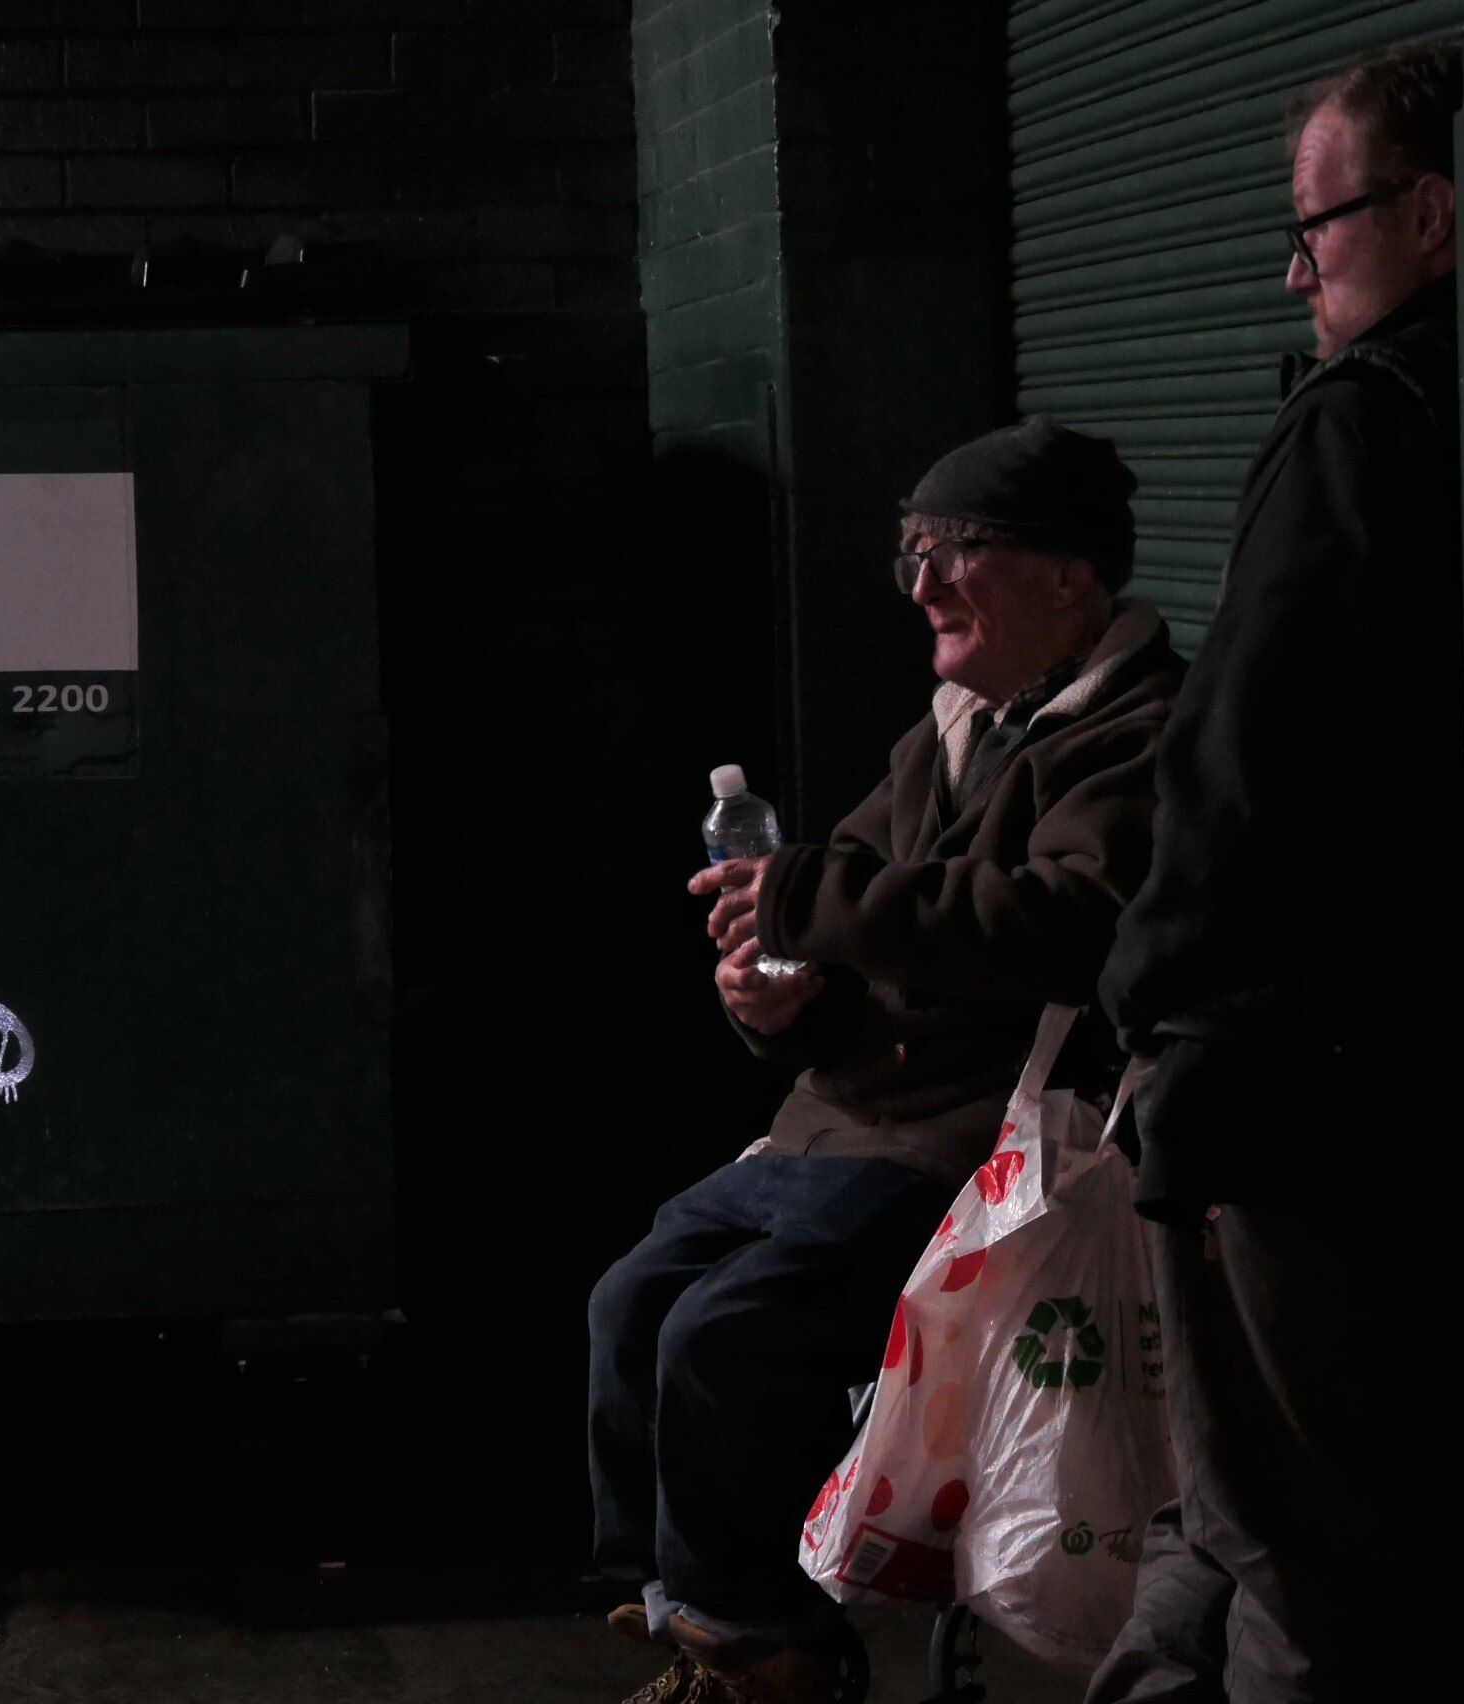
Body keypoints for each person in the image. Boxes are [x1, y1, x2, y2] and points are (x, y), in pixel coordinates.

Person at [590, 417, 1186, 1704]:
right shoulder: (950, 730)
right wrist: (776, 998)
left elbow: (1062, 920)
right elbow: (846, 904)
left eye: (958, 551)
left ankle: (763, 1650)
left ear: (1069, 573)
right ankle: (699, 1618)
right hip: (839, 1117)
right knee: (631, 1302)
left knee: (722, 1336)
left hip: (967, 1143)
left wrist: (804, 900)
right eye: (913, 550)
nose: (920, 585)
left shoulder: (1133, 736)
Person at [1087, 42, 1464, 1704]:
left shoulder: (1359, 425)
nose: (1298, 266)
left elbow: (1239, 759)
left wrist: (1150, 998)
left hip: (1280, 1081)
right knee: (1265, 1518)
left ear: (1434, 214)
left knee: (1286, 1544)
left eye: (1317, 226)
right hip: (1388, 1078)